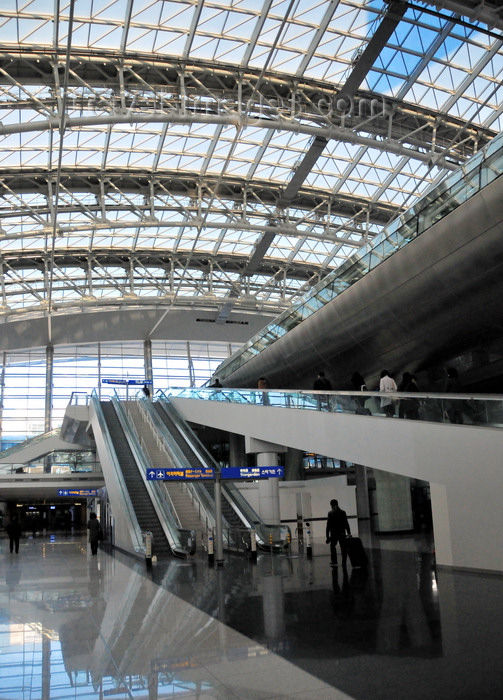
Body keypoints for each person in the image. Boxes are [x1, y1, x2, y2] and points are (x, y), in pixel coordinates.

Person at [326, 499, 351, 568]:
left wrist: (327, 536)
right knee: (343, 548)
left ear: (332, 505)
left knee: (333, 546)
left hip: (334, 534)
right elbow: (346, 524)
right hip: (342, 533)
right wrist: (349, 533)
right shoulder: (343, 512)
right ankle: (344, 562)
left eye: (331, 505)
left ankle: (334, 561)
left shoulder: (330, 513)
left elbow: (328, 526)